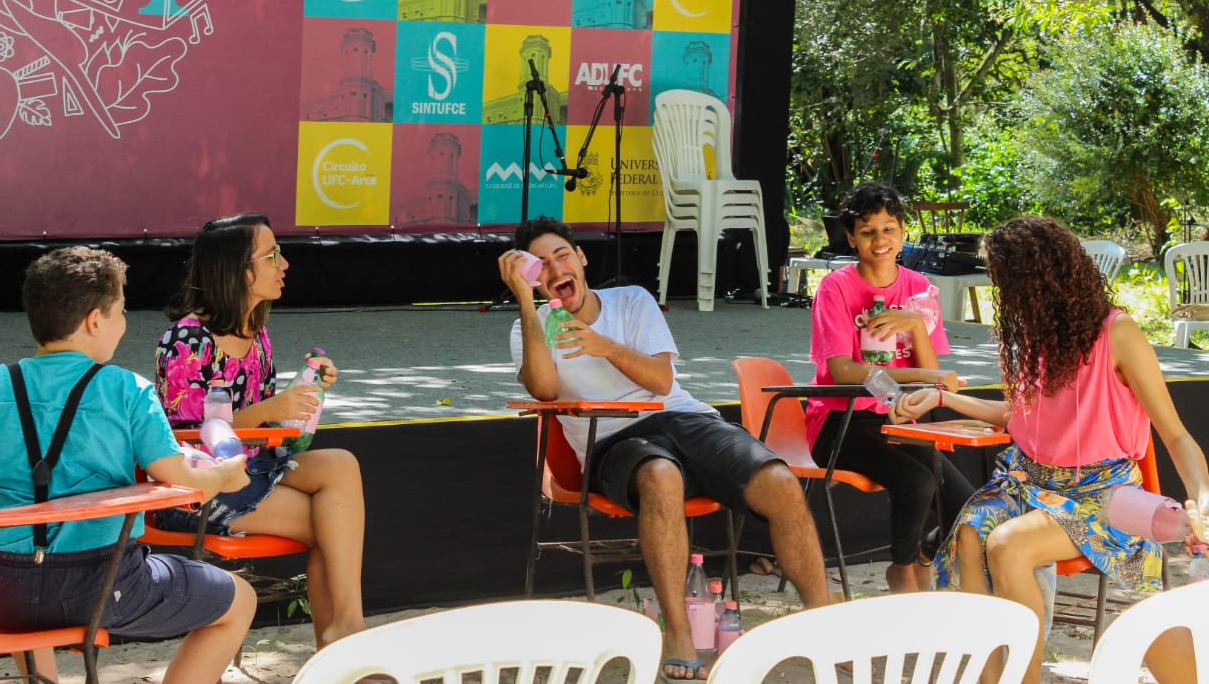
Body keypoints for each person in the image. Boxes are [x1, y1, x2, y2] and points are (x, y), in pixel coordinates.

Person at [500, 216, 829, 682]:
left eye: (562, 256)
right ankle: (677, 631)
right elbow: (545, 391)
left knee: (778, 480)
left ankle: (823, 625)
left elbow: (660, 381)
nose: (555, 270)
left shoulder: (631, 300)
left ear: (581, 257)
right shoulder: (529, 327)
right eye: (541, 266)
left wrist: (603, 346)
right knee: (661, 475)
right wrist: (524, 299)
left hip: (684, 418)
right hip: (610, 439)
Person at [900, 216, 1209, 684]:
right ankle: (993, 677)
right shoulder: (1037, 338)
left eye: (1010, 286)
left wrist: (1202, 499)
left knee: (1007, 544)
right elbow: (1021, 416)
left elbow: (1177, 435)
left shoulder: (1117, 333)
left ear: (1044, 281)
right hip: (1028, 481)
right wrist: (941, 397)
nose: (1007, 298)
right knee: (971, 533)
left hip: (1100, 494)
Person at [0, 247, 256, 684]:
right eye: (121, 311)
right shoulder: (128, 389)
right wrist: (225, 474)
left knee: (24, 599)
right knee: (240, 600)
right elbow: (184, 482)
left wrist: (5, 516)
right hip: (102, 587)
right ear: (95, 320)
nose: (124, 324)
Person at [154, 213, 367, 649]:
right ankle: (344, 642)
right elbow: (186, 436)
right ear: (236, 269)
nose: (284, 264)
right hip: (200, 488)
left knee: (341, 464)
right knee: (333, 528)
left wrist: (305, 391)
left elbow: (266, 426)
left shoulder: (258, 334)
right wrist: (273, 408)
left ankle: (346, 629)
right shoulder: (185, 341)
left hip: (253, 470)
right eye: (272, 255)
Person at [801, 183, 972, 592]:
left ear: (903, 231)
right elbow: (843, 371)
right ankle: (901, 570)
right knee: (917, 482)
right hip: (841, 422)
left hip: (898, 421)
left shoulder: (919, 288)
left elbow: (929, 371)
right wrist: (912, 382)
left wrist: (915, 325)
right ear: (851, 237)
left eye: (888, 229)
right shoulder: (836, 287)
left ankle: (925, 553)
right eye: (867, 232)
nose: (880, 240)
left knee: (968, 506)